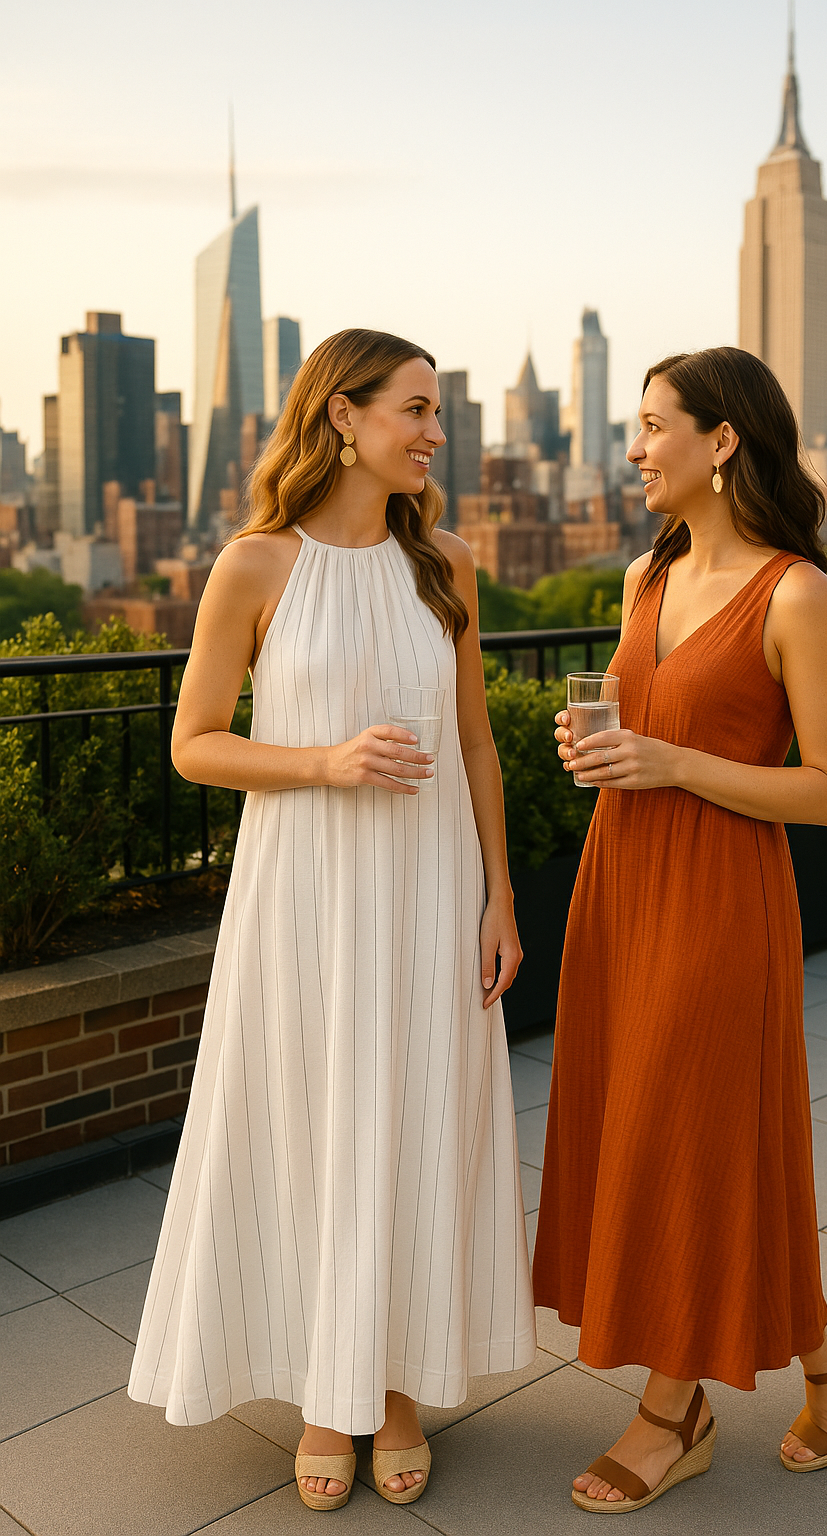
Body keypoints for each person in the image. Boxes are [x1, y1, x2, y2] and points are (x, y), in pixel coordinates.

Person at [128, 329, 536, 1512]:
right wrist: (325, 761)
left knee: (410, 1124)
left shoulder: (446, 563)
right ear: (343, 417)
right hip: (302, 897)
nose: (434, 433)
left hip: (425, 893)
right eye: (415, 409)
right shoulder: (254, 565)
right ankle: (324, 1388)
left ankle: (397, 1383)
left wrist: (498, 896)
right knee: (310, 1123)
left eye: (438, 412)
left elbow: (472, 743)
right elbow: (194, 742)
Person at [532, 347, 827, 1514]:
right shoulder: (642, 576)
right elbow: (643, 723)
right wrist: (601, 750)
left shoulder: (796, 595)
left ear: (721, 441)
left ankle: (671, 1410)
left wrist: (673, 758)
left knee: (686, 1141)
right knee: (646, 1131)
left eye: (650, 427)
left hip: (722, 905)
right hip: (620, 890)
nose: (632, 449)